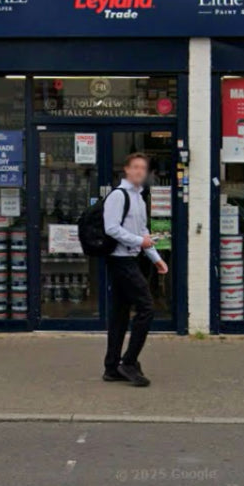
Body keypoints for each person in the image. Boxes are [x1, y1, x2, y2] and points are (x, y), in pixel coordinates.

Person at [102, 152, 168, 387]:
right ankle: (128, 362)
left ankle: (112, 367)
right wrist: (140, 242)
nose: (140, 171)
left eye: (143, 168)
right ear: (127, 170)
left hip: (131, 258)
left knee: (120, 314)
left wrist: (155, 258)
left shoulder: (138, 198)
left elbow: (142, 231)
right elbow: (111, 228)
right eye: (135, 167)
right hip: (120, 261)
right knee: (146, 308)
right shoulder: (118, 196)